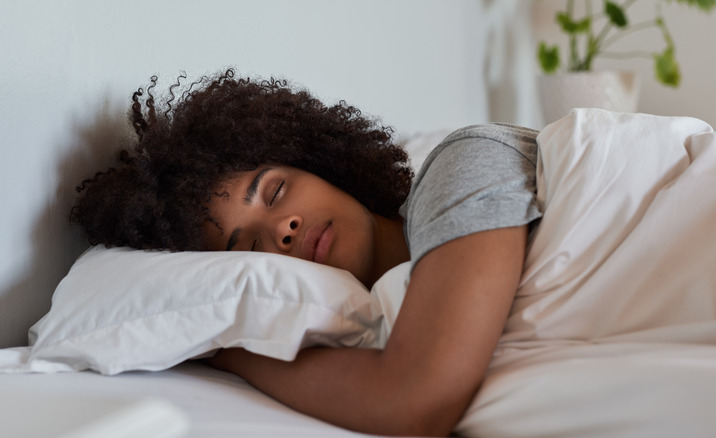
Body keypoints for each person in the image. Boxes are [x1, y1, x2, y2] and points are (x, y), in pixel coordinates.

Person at [71, 69, 540, 436]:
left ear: (320, 163)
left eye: (275, 192)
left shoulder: (462, 163)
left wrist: (230, 352)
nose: (283, 228)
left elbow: (417, 403)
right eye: (251, 247)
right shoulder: (374, 312)